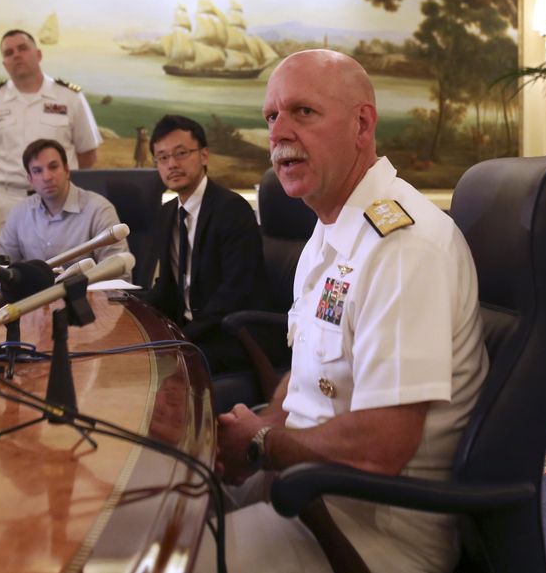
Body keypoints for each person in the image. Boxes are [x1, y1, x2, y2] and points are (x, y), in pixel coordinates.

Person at [201, 50, 489, 572]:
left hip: (368, 532)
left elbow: (382, 446)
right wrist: (266, 421)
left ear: (362, 124)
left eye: (303, 112)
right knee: (160, 505)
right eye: (271, 117)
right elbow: (311, 370)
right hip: (304, 491)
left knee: (167, 558)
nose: (278, 133)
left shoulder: (402, 247)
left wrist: (262, 443)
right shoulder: (330, 230)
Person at [142, 115, 265, 374]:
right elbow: (166, 287)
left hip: (227, 335)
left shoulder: (232, 209)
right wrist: (125, 304)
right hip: (188, 333)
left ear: (204, 155)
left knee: (161, 373)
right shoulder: (167, 214)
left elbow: (235, 292)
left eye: (181, 153)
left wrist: (183, 338)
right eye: (162, 158)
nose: (172, 164)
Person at [0, 29, 103, 247]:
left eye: (23, 48)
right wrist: (7, 181)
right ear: (4, 63)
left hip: (60, 202)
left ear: (38, 54)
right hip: (6, 201)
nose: (16, 55)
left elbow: (87, 152)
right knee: (2, 271)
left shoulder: (69, 97)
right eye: (9, 52)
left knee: (62, 271)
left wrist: (60, 183)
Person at [0, 139, 129, 276]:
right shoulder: (19, 212)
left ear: (67, 170)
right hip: (34, 296)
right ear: (30, 180)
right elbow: (1, 268)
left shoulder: (99, 210)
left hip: (84, 295)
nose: (46, 177)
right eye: (37, 171)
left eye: (53, 167)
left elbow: (119, 275)